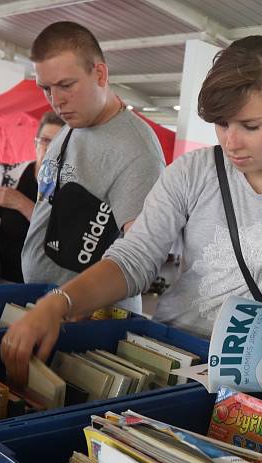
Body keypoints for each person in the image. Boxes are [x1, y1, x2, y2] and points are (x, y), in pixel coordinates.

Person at [2, 35, 262, 387]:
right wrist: (61, 302)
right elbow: (135, 256)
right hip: (168, 355)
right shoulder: (193, 171)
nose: (231, 142)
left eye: (250, 126)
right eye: (222, 123)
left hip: (259, 379)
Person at [21, 21, 165, 311]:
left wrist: (64, 303)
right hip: (46, 309)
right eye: (46, 88)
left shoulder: (137, 150)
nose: (56, 101)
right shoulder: (72, 125)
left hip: (92, 320)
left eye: (66, 85)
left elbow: (141, 260)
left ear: (99, 73)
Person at [0, 112, 65, 282]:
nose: (49, 148)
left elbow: (64, 239)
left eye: (58, 143)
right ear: (35, 144)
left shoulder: (74, 191)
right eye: (45, 140)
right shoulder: (4, 176)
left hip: (43, 290)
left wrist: (22, 204)